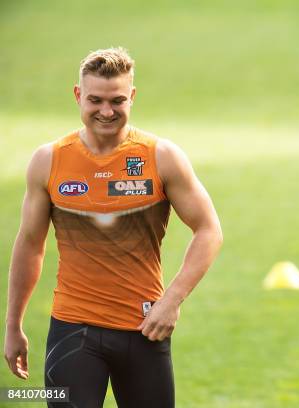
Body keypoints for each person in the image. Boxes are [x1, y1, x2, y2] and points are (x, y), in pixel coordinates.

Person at [4, 47, 223, 407]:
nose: (106, 111)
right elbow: (30, 244)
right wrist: (13, 325)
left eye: (117, 101)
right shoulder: (49, 161)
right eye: (95, 100)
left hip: (143, 330)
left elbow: (209, 229)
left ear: (132, 97)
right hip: (72, 329)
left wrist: (172, 300)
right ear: (78, 95)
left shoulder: (160, 157)